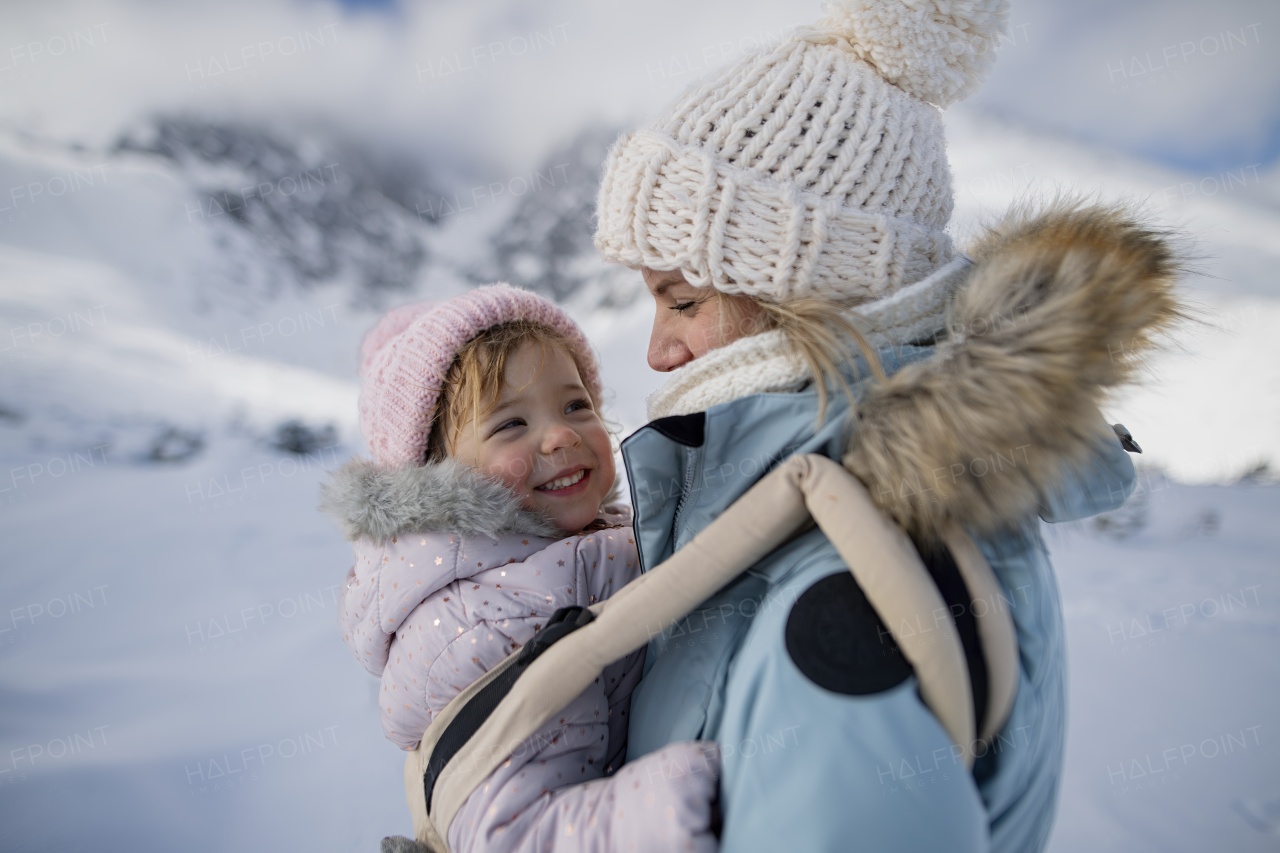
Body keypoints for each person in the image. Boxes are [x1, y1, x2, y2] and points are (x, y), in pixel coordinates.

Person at [592, 0, 1182, 851]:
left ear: (817, 294)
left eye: (683, 300)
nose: (657, 352)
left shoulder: (846, 599)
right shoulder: (796, 522)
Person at [321, 284, 720, 853]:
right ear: (438, 477)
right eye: (511, 425)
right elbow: (511, 835)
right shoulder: (504, 619)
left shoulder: (565, 551)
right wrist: (693, 793)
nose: (561, 435)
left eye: (576, 405)